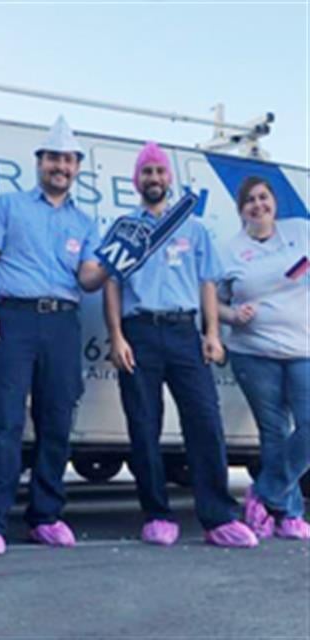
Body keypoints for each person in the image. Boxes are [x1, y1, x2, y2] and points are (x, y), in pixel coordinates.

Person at [0, 116, 108, 557]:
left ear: (77, 167)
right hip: (13, 319)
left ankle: (46, 515)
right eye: (53, 158)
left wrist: (117, 264)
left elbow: (86, 279)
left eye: (68, 160)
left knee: (56, 421)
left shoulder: (86, 222)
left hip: (63, 322)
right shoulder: (9, 205)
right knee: (3, 420)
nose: (60, 166)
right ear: (40, 162)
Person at [103, 142, 258, 548]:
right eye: (147, 172)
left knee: (205, 423)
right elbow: (112, 286)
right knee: (143, 425)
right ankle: (156, 514)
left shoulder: (195, 228)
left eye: (159, 171)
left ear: (170, 178)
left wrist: (211, 333)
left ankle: (218, 516)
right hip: (139, 332)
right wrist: (116, 335)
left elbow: (207, 283)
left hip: (183, 332)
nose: (154, 178)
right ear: (136, 181)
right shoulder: (124, 228)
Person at [218, 176, 310, 540]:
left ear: (273, 202)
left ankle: (264, 494)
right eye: (250, 201)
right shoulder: (230, 251)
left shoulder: (301, 232)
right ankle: (288, 515)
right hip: (253, 352)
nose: (258, 205)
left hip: (303, 348)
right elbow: (213, 303)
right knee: (274, 432)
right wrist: (231, 316)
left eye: (263, 197)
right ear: (241, 211)